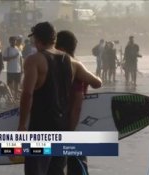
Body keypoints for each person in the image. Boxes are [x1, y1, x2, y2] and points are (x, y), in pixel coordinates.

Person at [17, 22, 101, 175]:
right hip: (62, 128)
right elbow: (97, 83)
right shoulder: (73, 62)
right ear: (54, 39)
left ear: (36, 39)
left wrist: (22, 125)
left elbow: (27, 94)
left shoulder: (34, 60)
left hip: (40, 128)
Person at [55, 30, 102, 175]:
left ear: (61, 48)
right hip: (79, 122)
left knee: (63, 163)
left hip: (67, 122)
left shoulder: (65, 65)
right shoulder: (77, 65)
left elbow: (77, 104)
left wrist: (70, 131)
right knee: (77, 163)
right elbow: (97, 83)